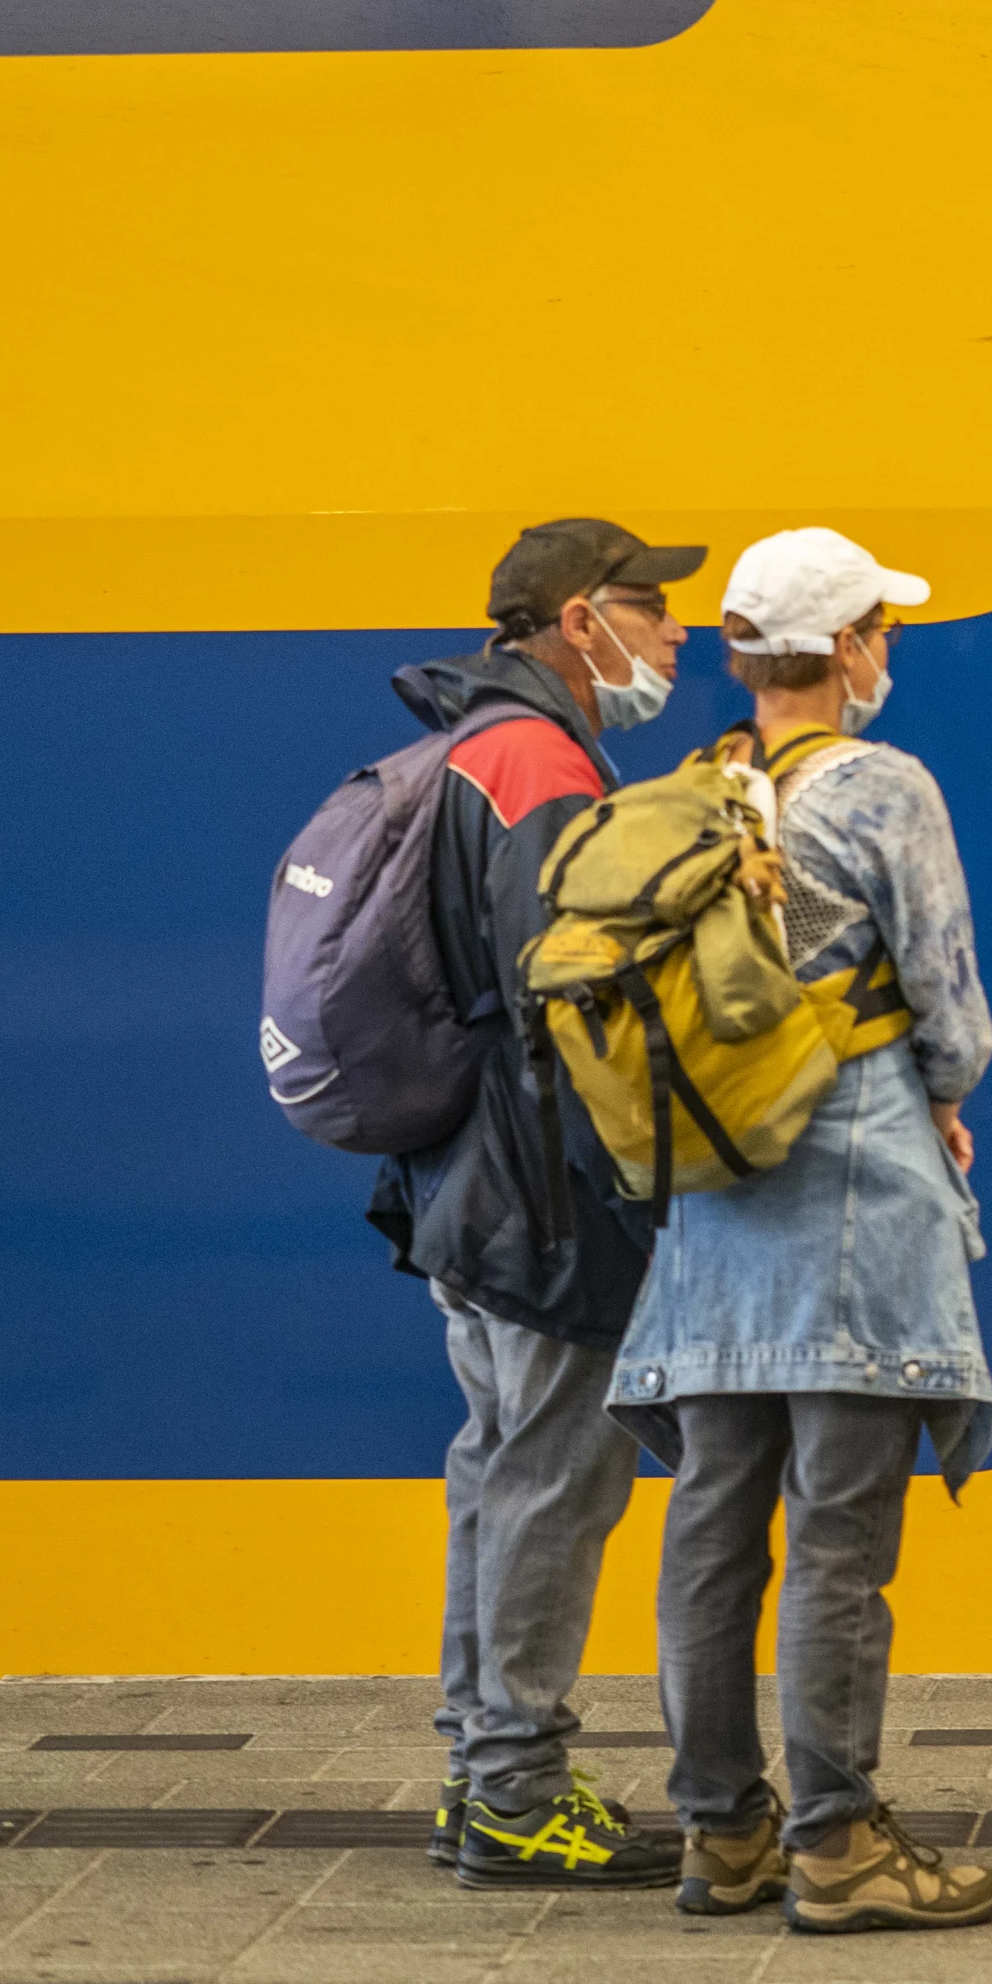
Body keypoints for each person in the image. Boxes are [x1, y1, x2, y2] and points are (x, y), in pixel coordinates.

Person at [612, 526, 992, 1935]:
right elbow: (948, 1002)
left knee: (715, 1526)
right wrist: (947, 1095)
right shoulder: (882, 789)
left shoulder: (695, 787)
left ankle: (722, 1833)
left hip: (713, 1210)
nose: (885, 655)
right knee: (840, 1532)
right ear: (844, 652)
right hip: (847, 1188)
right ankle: (840, 1841)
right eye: (879, 633)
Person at [372, 517, 698, 1892]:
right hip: (539, 1188)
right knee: (557, 1477)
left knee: (498, 1467)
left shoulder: (472, 743)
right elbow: (567, 997)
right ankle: (514, 1785)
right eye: (652, 607)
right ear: (581, 620)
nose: (674, 634)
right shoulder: (536, 765)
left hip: (462, 1174)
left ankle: (478, 1768)